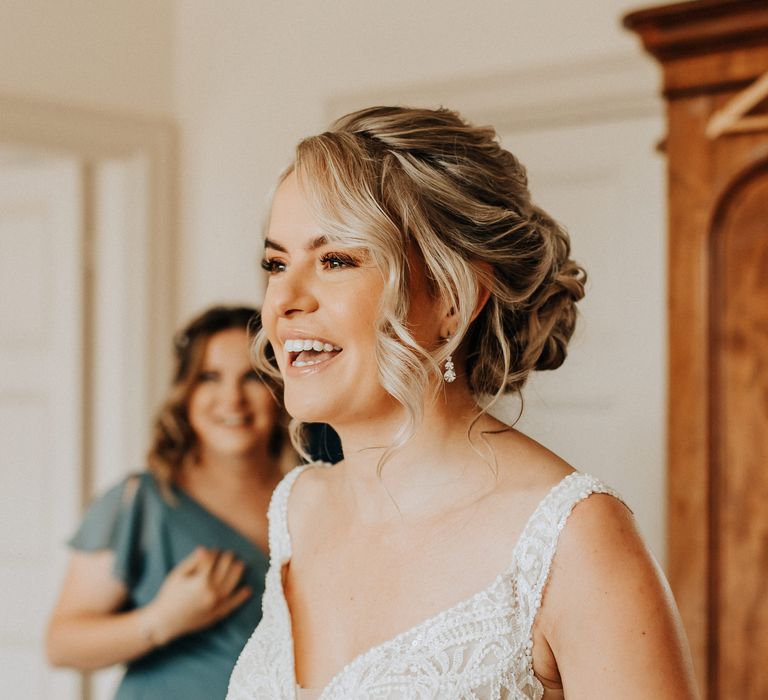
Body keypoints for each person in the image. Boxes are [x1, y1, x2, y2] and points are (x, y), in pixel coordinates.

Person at [227, 107, 699, 699]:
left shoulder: (570, 539)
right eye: (276, 263)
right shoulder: (298, 509)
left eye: (336, 260)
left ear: (453, 297)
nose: (284, 301)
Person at [46, 306, 290, 700]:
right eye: (209, 377)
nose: (232, 399)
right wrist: (164, 619)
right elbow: (61, 644)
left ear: (279, 386)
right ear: (185, 392)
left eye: (252, 377)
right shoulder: (140, 502)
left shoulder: (314, 496)